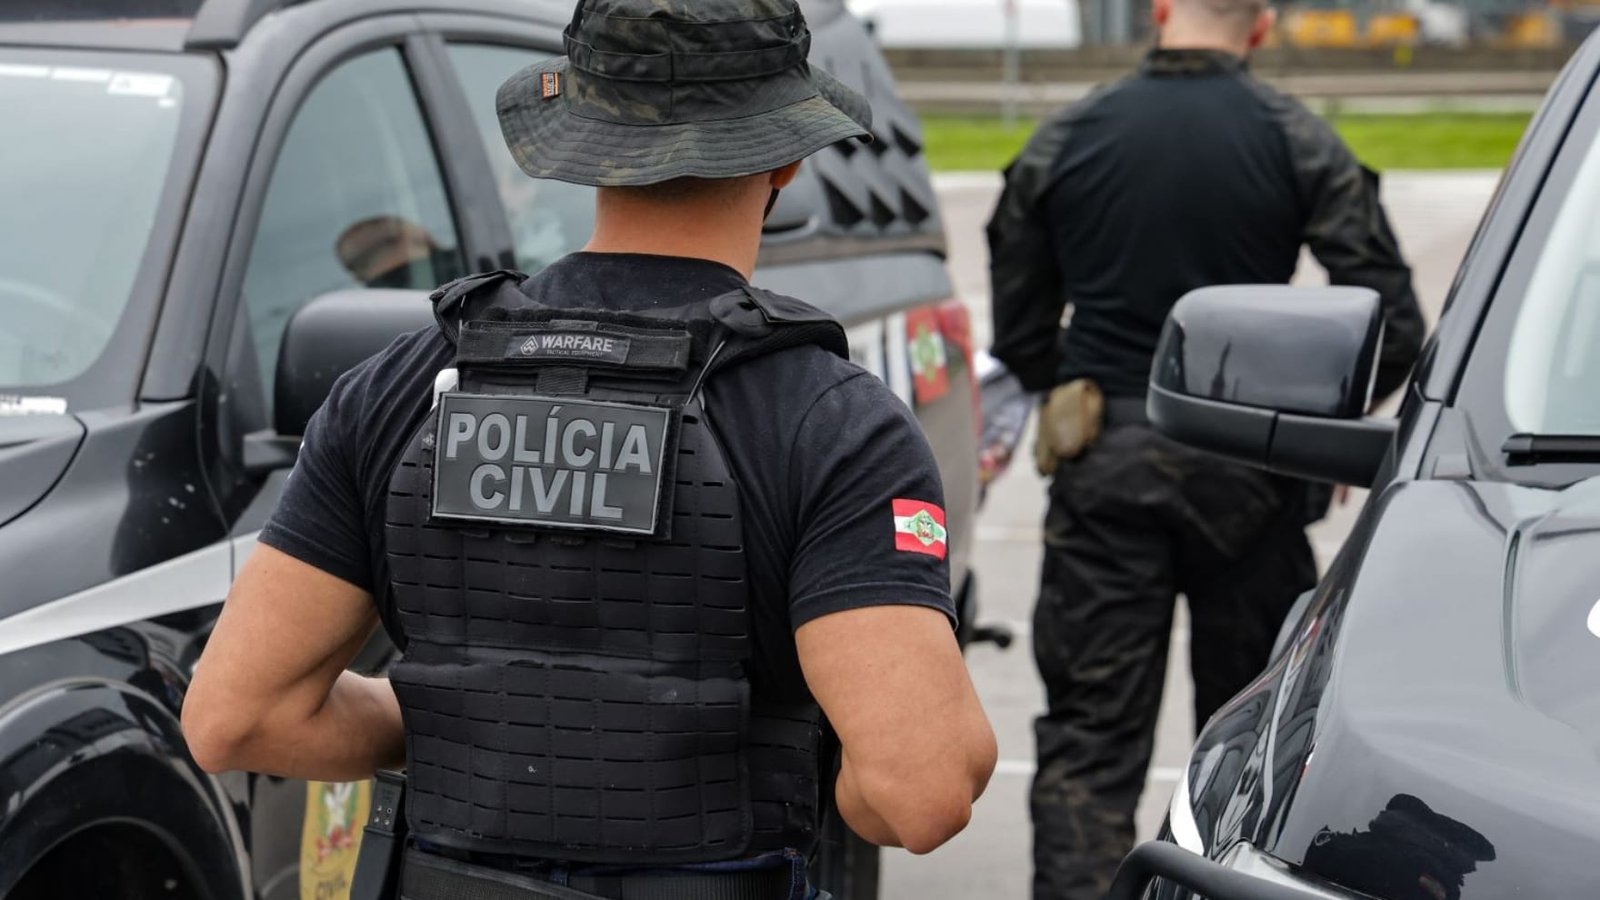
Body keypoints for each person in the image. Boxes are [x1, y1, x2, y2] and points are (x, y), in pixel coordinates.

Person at [181, 2, 997, 899]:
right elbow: (920, 792)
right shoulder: (830, 423)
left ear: (582, 135)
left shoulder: (395, 389)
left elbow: (237, 716)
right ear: (786, 157)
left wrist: (477, 722)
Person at [984, 0, 1426, 895]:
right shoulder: (1295, 138)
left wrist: (1082, 385)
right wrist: (1315, 426)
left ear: (1157, 12)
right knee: (1259, 755)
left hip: (1105, 462)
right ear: (1260, 24)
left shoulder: (1066, 136)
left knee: (1089, 741)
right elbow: (1395, 319)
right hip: (1251, 465)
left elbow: (1019, 316)